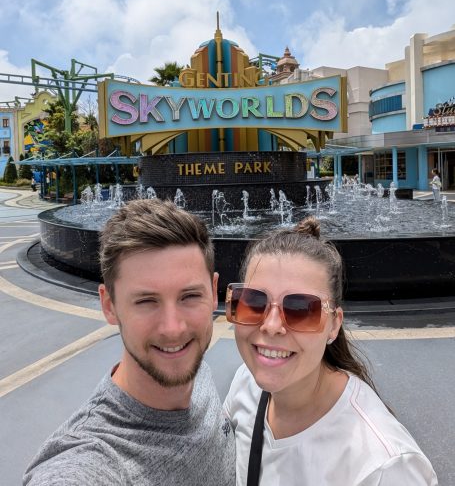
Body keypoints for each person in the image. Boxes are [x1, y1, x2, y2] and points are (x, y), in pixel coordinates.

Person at [24, 199, 235, 486]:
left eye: (189, 296)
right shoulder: (92, 460)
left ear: (213, 292)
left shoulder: (199, 372)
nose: (173, 329)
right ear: (109, 305)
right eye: (147, 301)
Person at [224, 216, 438, 485]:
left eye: (301, 309)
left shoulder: (384, 468)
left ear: (334, 325)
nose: (272, 325)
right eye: (253, 302)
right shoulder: (245, 386)